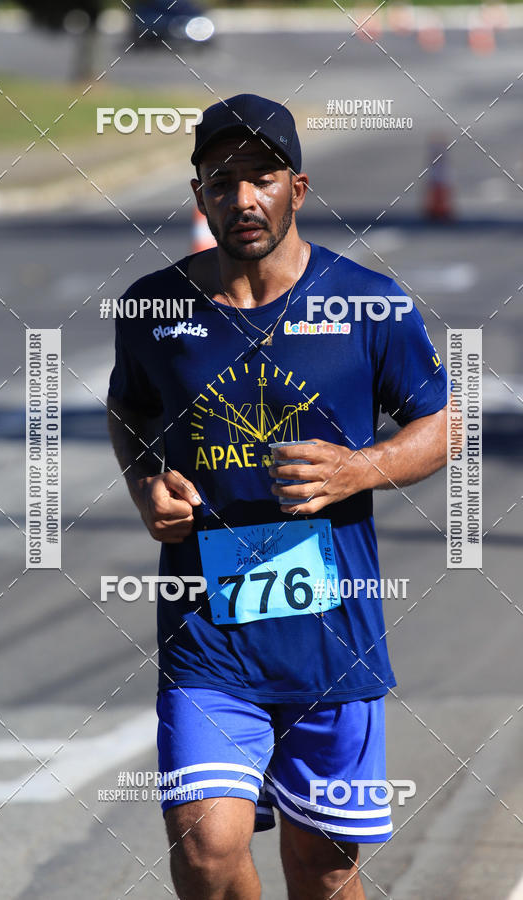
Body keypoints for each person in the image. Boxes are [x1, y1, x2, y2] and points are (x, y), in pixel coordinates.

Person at [107, 93, 448, 900]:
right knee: (206, 850)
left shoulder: (368, 302)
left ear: (297, 188)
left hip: (334, 641)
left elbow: (441, 423)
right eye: (221, 181)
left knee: (322, 869)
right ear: (200, 198)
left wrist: (360, 469)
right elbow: (131, 409)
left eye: (260, 177)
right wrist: (145, 483)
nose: (242, 198)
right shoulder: (154, 310)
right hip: (207, 636)